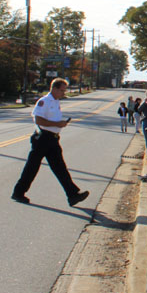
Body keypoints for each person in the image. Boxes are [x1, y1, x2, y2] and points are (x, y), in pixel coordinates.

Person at [11, 78, 89, 207]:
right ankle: (18, 192)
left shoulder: (56, 101)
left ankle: (73, 194)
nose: (64, 93)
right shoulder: (44, 101)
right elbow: (39, 120)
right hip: (42, 139)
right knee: (32, 167)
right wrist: (57, 124)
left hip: (52, 139)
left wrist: (59, 125)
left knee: (60, 168)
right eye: (62, 90)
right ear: (54, 88)